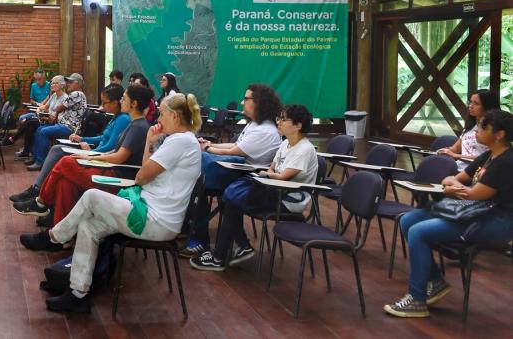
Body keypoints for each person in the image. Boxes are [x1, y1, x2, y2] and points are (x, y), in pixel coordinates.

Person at [19, 93, 203, 314]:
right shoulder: (180, 140)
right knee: (89, 226)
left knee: (92, 196)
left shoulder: (180, 141)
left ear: (174, 116)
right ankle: (78, 295)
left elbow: (142, 177)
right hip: (148, 211)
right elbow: (145, 172)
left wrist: (150, 150)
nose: (158, 119)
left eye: (162, 114)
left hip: (156, 220)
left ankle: (54, 237)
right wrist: (149, 142)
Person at [384, 109, 513, 318]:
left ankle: (417, 300)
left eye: (483, 127)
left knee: (418, 232)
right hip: (474, 213)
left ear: (499, 134)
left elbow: (474, 194)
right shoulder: (488, 155)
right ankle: (435, 281)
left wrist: (457, 187)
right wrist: (455, 186)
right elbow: (451, 180)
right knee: (408, 220)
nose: (477, 130)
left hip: (497, 222)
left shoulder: (506, 162)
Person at [190, 104, 318, 271]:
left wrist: (270, 175)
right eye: (278, 118)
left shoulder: (304, 149)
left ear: (298, 125)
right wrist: (270, 174)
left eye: (283, 120)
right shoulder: (285, 143)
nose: (278, 122)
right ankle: (228, 252)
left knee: (230, 197)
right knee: (230, 198)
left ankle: (224, 254)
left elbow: (283, 177)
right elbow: (272, 169)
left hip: (288, 199)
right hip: (274, 189)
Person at [12, 84, 153, 224]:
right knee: (65, 182)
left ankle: (41, 201)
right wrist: (90, 152)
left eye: (124, 98)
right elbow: (114, 150)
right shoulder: (133, 124)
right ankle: (57, 231)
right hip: (110, 168)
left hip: (116, 176)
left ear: (134, 103)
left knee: (66, 162)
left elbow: (118, 156)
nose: (121, 101)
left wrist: (90, 155)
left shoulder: (136, 126)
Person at [182, 83, 283, 257]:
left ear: (258, 102)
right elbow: (236, 145)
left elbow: (233, 151)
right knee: (194, 179)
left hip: (249, 180)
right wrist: (210, 144)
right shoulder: (255, 125)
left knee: (197, 182)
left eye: (246, 99)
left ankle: (200, 239)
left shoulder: (265, 130)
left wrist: (206, 149)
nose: (242, 103)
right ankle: (192, 231)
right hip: (237, 174)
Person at [26, 73, 87, 170]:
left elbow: (59, 107)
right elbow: (56, 109)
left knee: (43, 131)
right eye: (68, 82)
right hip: (62, 124)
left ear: (78, 84)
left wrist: (54, 113)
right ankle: (36, 158)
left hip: (70, 128)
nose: (68, 84)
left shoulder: (77, 94)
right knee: (39, 129)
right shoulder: (70, 94)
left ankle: (41, 162)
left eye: (71, 82)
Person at [436, 89, 500, 171]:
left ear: (487, 106)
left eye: (475, 103)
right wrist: (445, 151)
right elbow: (455, 148)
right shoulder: (470, 126)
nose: (470, 106)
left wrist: (457, 156)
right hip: (458, 168)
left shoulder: (492, 130)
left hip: (477, 171)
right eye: (470, 102)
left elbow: (489, 158)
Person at [15, 75, 67, 161]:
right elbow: (44, 107)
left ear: (62, 85)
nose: (52, 85)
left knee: (31, 123)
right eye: (52, 83)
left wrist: (45, 115)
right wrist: (39, 110)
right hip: (46, 119)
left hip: (54, 122)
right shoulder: (53, 96)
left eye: (55, 83)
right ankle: (33, 155)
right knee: (30, 125)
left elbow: (56, 116)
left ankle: (19, 144)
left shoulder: (65, 98)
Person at [3, 70, 50, 147]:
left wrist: (42, 104)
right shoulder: (34, 86)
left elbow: (50, 97)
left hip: (43, 112)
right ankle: (23, 144)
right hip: (35, 108)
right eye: (36, 79)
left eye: (39, 79)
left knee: (27, 121)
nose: (37, 81)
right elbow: (31, 100)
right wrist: (37, 104)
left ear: (44, 78)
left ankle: (15, 140)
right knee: (22, 118)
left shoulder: (49, 85)